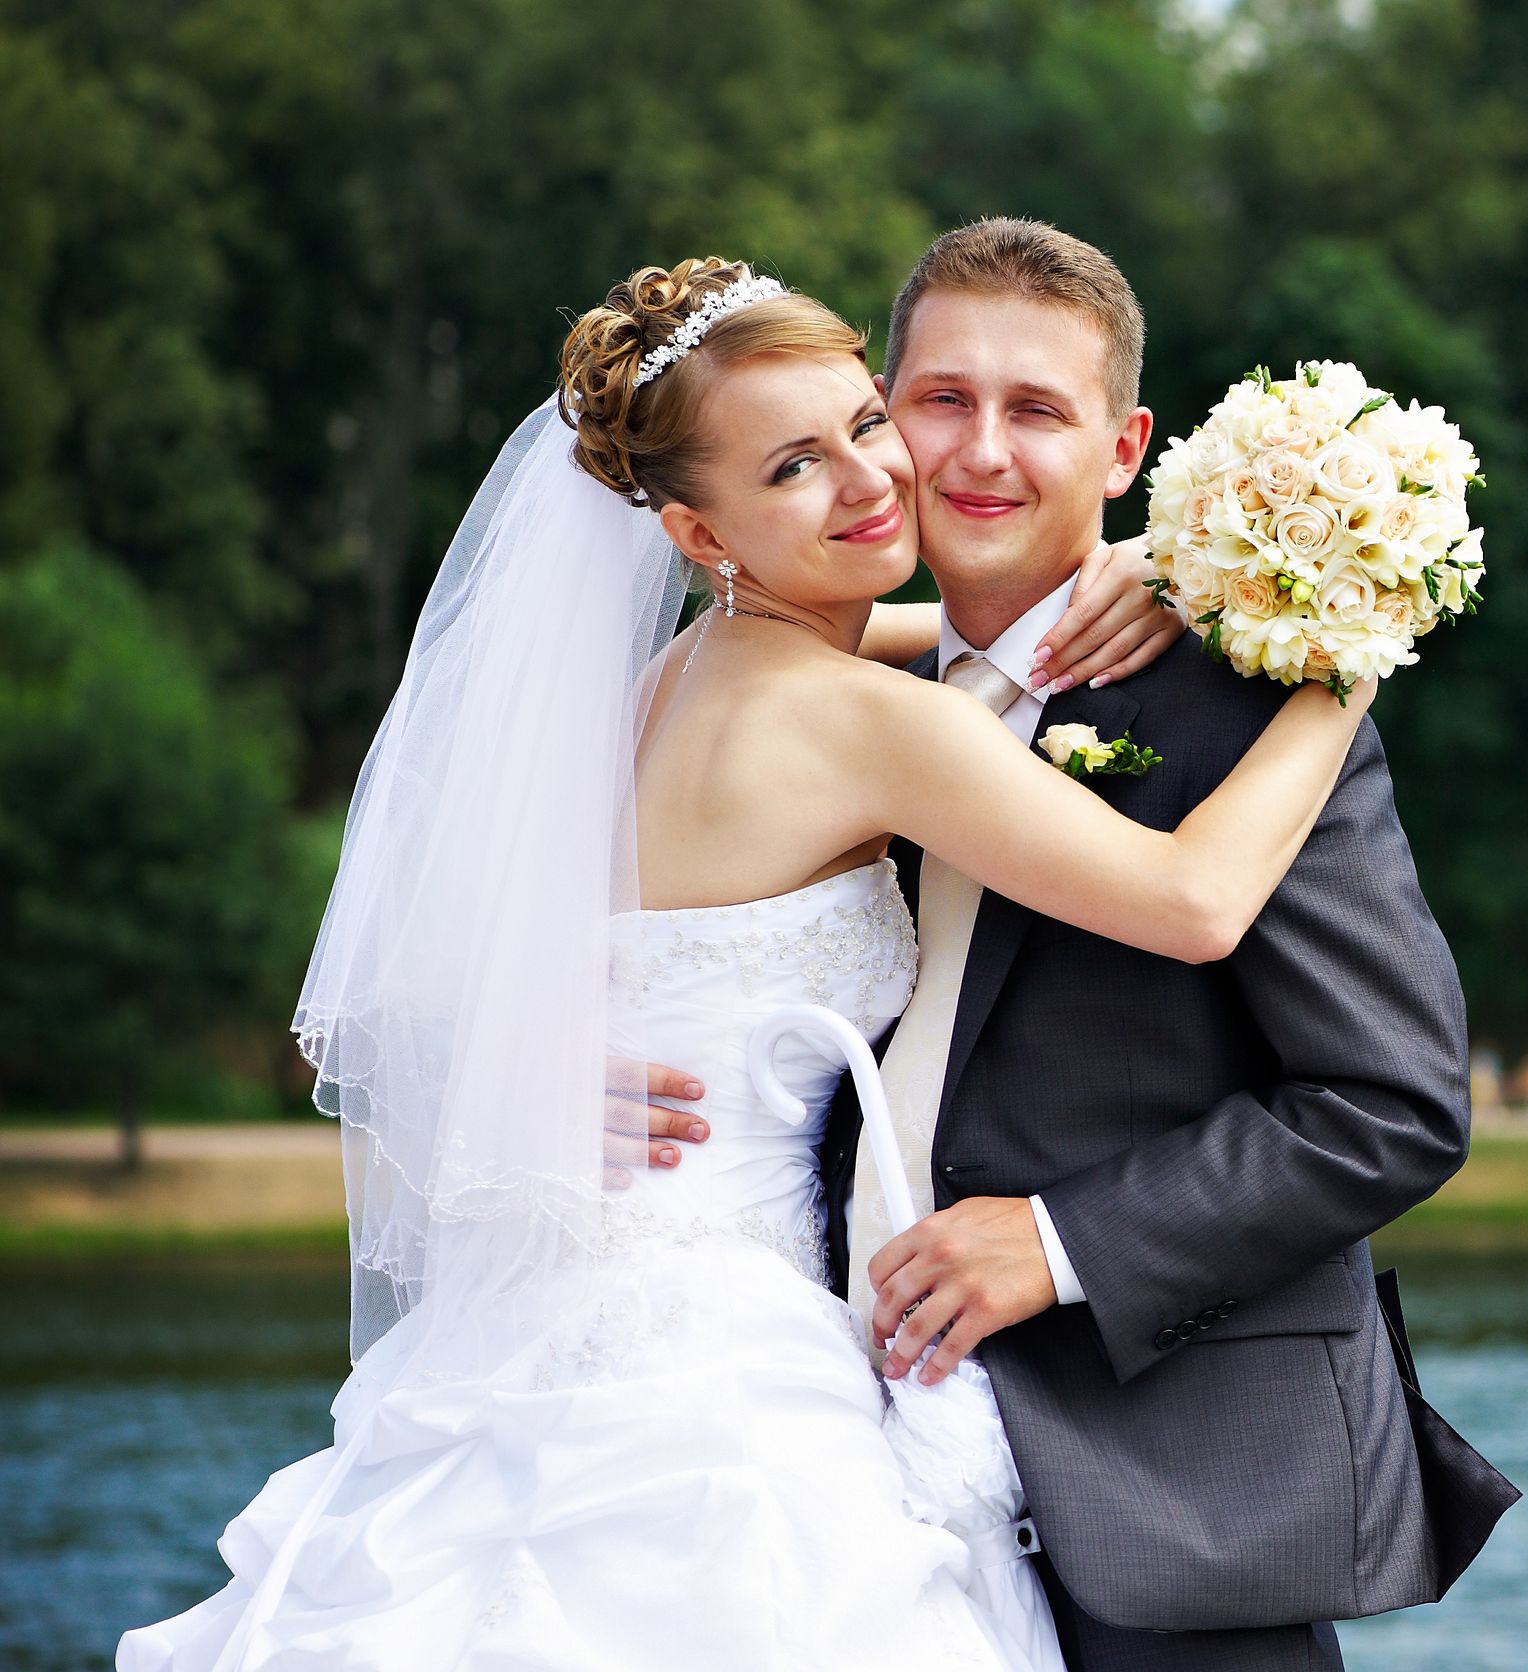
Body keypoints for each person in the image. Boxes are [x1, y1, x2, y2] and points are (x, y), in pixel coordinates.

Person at [121, 257, 1393, 1670]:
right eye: (795, 466)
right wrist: (1340, 656)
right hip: (723, 1361)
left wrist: (1154, 563)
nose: (869, 481)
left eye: (861, 422)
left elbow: (979, 640)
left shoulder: (670, 686)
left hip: (562, 1326)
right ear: (695, 530)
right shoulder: (855, 723)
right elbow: (1199, 900)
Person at [640, 221, 1514, 1669]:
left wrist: (1060, 1244)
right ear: (882, 415)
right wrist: (555, 1072)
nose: (981, 451)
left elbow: (1393, 1103)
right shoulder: (827, 679)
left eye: (1038, 409)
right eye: (939, 401)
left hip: (1167, 1492)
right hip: (821, 1470)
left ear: (1125, 451)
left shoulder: (1251, 712)